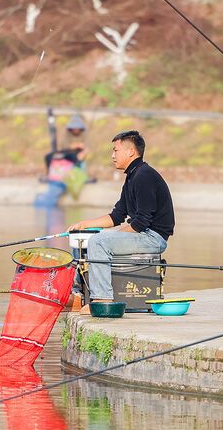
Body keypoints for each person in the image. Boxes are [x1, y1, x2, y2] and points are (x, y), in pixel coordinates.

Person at [66, 130, 174, 312]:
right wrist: (84, 225)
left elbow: (141, 222)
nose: (112, 155)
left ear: (131, 151)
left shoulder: (144, 176)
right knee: (83, 237)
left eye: (115, 150)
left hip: (153, 238)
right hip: (143, 234)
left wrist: (109, 236)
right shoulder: (132, 176)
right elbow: (117, 216)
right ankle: (77, 295)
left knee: (98, 242)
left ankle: (102, 300)